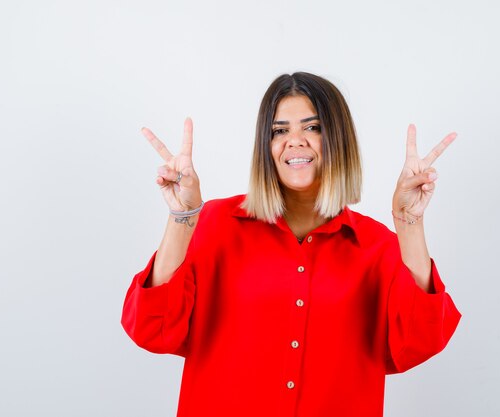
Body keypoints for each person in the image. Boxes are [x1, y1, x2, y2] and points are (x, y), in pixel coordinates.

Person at [121, 72, 461, 417]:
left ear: (339, 140)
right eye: (279, 131)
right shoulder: (213, 224)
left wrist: (410, 223)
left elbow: (421, 342)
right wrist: (183, 218)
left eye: (312, 128)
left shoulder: (380, 247)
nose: (294, 141)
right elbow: (151, 329)